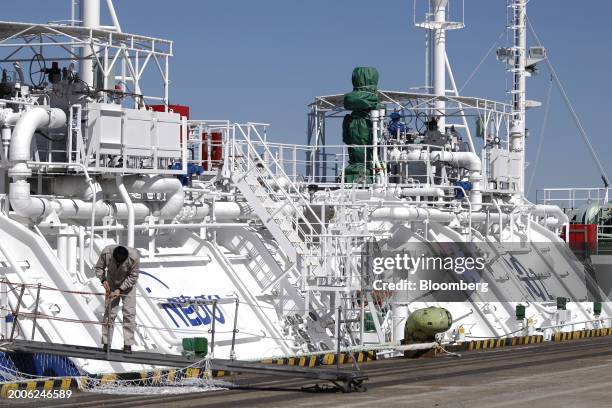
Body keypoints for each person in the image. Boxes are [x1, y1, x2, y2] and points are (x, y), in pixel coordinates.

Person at [95, 245, 140, 353]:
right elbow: (99, 268)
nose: (119, 263)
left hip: (128, 284)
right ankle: (106, 343)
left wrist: (120, 289)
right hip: (111, 282)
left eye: (121, 262)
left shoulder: (134, 256)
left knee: (129, 313)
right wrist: (103, 280)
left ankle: (128, 344)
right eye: (117, 261)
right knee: (109, 312)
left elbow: (133, 276)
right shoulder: (106, 252)